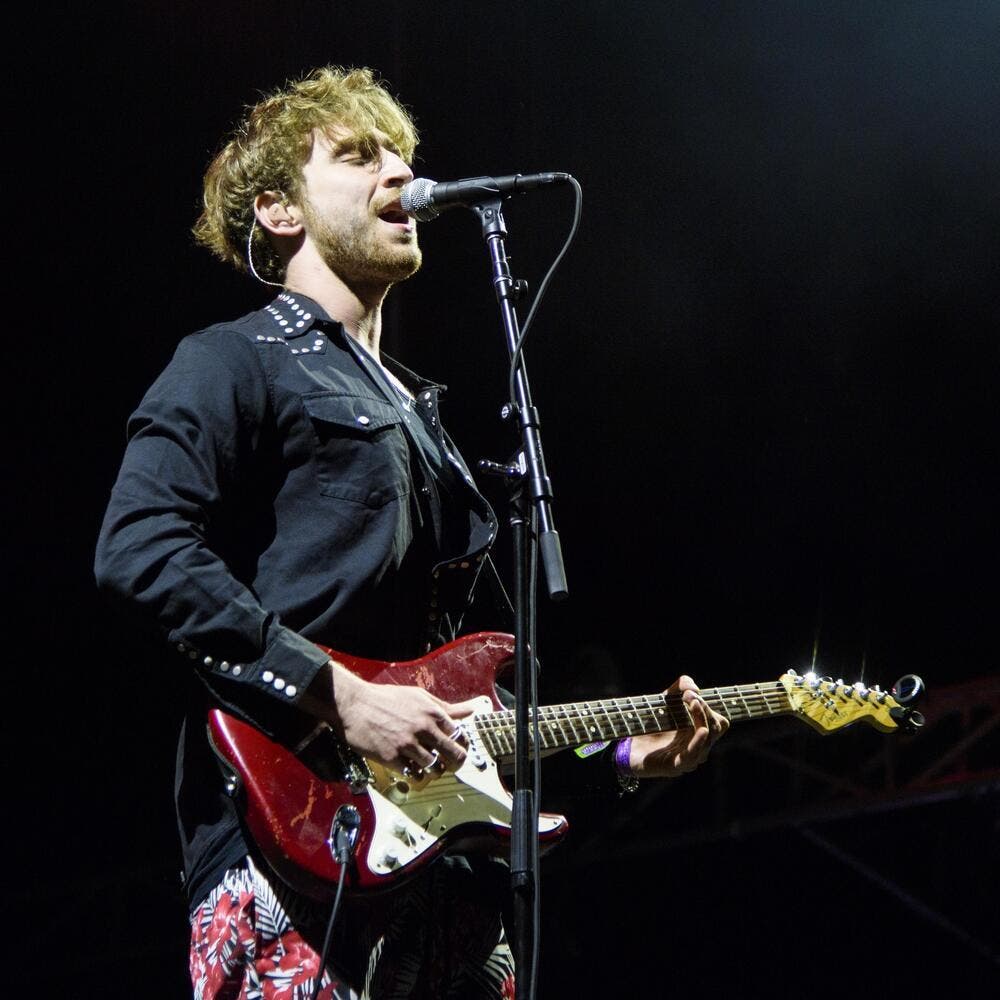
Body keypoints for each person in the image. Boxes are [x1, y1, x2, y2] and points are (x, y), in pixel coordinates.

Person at [94, 66, 729, 1000]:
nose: (399, 172)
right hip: (296, 845)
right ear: (278, 210)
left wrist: (627, 758)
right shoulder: (233, 360)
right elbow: (139, 548)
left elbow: (467, 702)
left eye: (401, 153)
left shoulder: (425, 417)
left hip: (451, 886)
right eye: (359, 156)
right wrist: (341, 696)